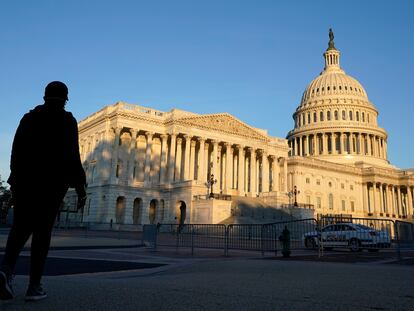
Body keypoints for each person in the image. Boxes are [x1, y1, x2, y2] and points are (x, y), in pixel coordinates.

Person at [0, 81, 86, 301]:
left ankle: (5, 272)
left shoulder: (29, 118)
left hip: (26, 182)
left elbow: (15, 152)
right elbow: (73, 156)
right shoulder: (67, 121)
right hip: (52, 184)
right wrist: (80, 186)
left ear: (44, 96)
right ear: (66, 98)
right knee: (42, 233)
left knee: (20, 228)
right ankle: (34, 286)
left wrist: (15, 180)